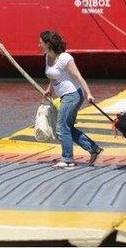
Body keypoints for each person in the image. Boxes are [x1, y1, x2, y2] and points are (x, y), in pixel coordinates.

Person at [40, 30, 103, 168]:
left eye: (41, 42)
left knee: (62, 127)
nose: (39, 44)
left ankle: (67, 158)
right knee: (67, 127)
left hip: (73, 95)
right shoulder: (47, 57)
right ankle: (94, 149)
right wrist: (49, 89)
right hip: (64, 96)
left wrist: (89, 94)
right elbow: (53, 77)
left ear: (48, 44)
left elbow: (78, 77)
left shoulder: (65, 58)